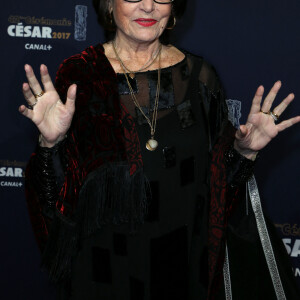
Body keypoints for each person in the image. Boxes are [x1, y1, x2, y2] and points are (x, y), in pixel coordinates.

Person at [20, 0, 300, 299]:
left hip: (181, 270)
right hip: (104, 273)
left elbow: (219, 195)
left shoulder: (201, 78)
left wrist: (245, 152)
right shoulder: (80, 77)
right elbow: (56, 202)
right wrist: (49, 144)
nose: (149, 6)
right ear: (109, 5)